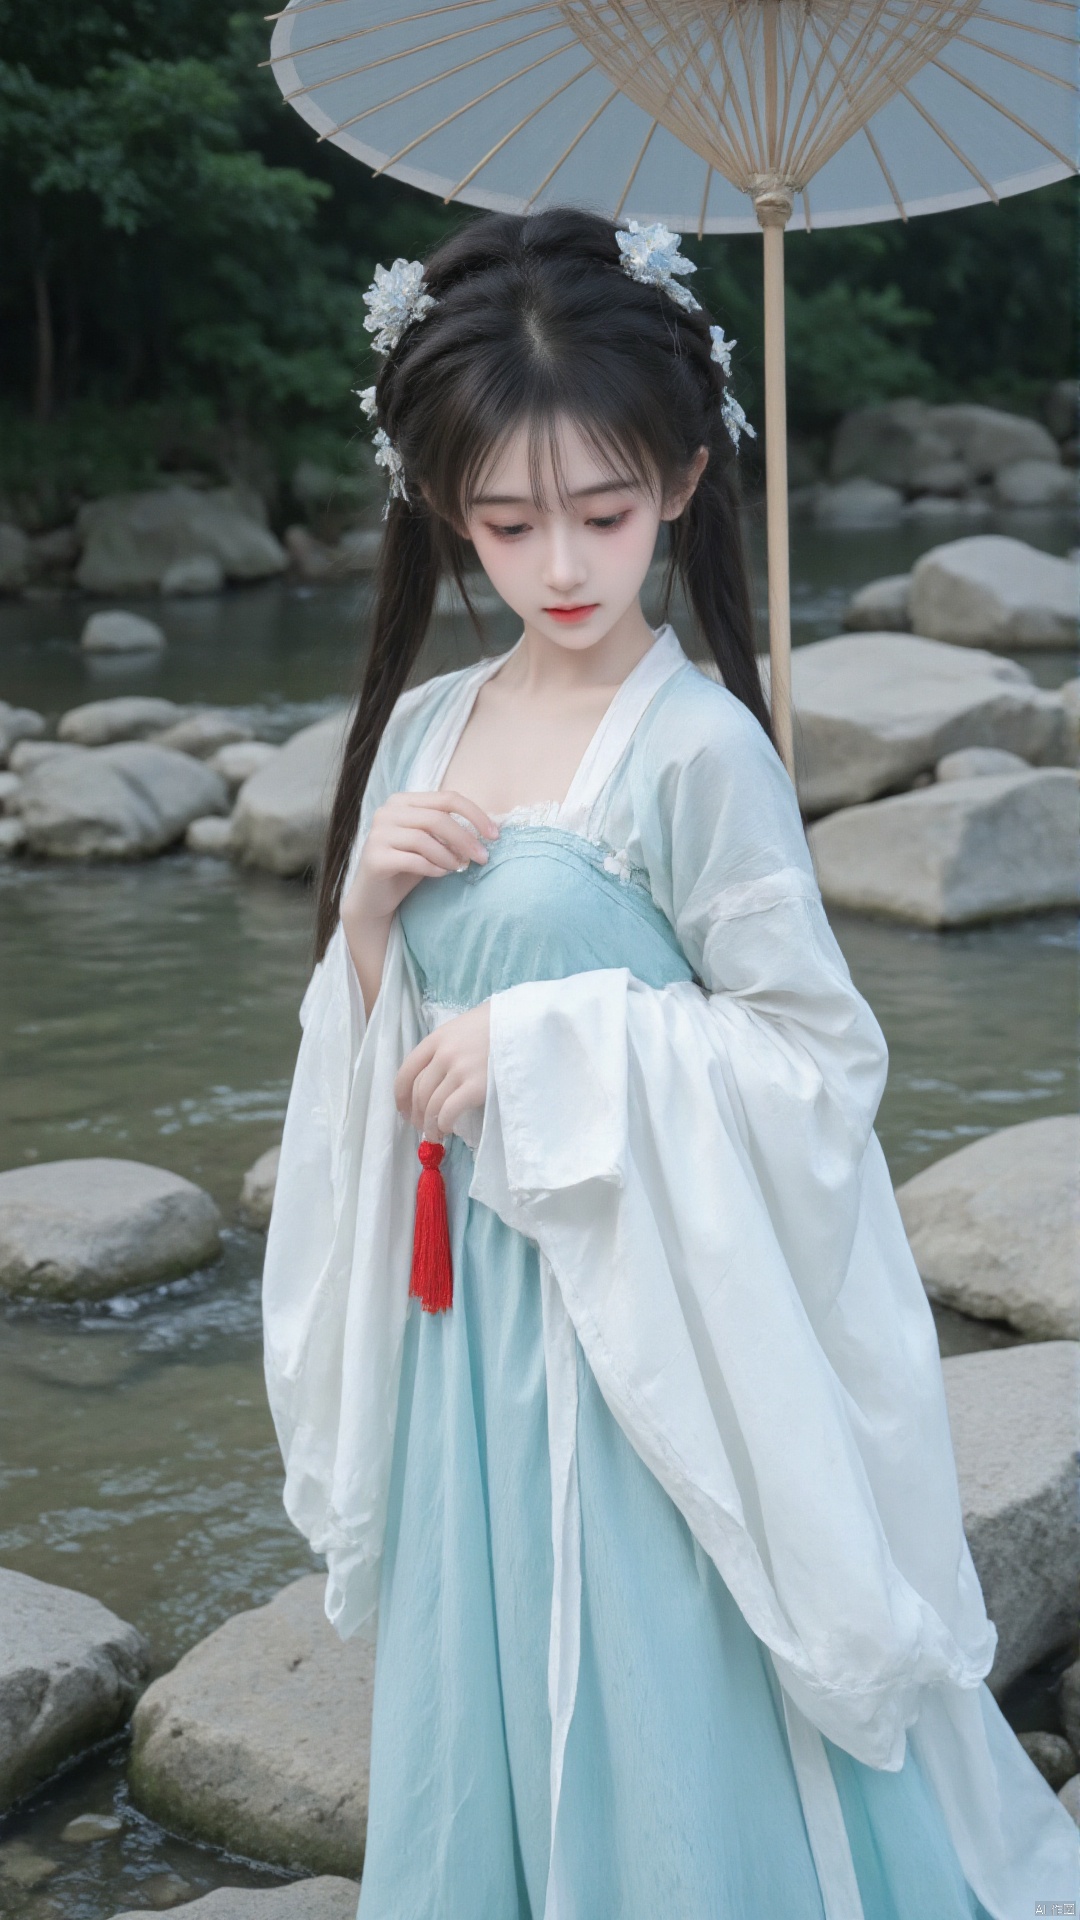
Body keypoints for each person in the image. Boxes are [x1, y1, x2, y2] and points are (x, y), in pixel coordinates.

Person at [262, 209, 1076, 1920]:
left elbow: (813, 1062)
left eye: (605, 513)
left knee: (652, 1656)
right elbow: (385, 1041)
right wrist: (366, 919)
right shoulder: (428, 726)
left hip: (651, 1333)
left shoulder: (699, 750)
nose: (562, 562)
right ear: (444, 511)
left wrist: (549, 1042)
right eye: (508, 521)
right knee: (498, 1654)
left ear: (686, 482)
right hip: (473, 1314)